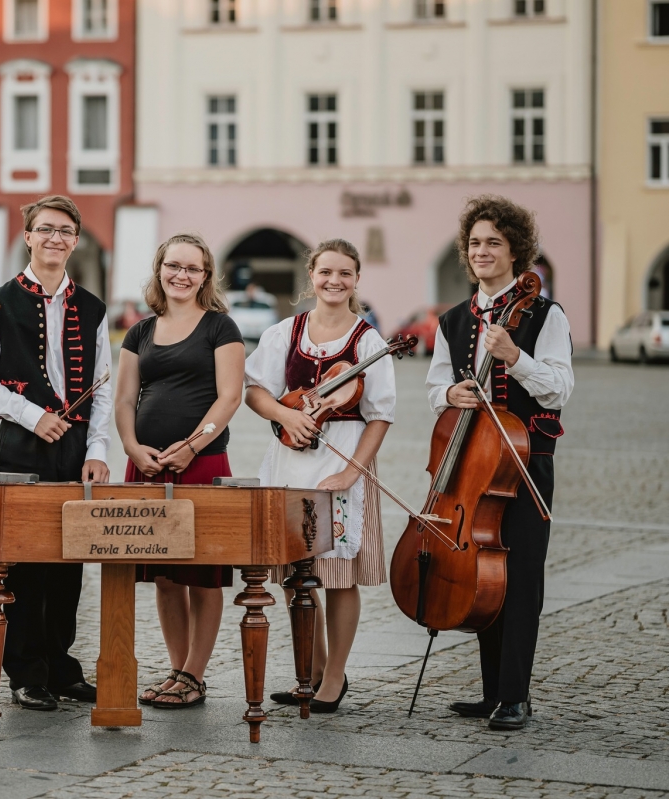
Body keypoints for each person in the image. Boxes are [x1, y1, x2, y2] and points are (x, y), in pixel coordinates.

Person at [429, 195, 572, 731]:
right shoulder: (452, 318)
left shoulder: (543, 313)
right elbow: (432, 387)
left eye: (494, 242)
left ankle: (516, 694)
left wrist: (517, 357)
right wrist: (451, 394)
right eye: (475, 243)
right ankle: (492, 692)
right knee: (479, 571)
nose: (482, 251)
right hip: (470, 462)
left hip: (524, 462)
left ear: (516, 251)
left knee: (521, 578)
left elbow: (560, 388)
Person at [0, 195, 112, 711]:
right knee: (26, 559)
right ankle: (26, 671)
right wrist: (32, 414)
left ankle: (61, 664)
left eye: (65, 230)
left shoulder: (92, 307)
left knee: (71, 556)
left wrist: (97, 448)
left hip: (75, 447)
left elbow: (103, 386)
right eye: (45, 229)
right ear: (28, 236)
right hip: (22, 442)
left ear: (76, 240)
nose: (55, 238)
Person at [244, 238, 396, 713]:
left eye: (345, 273)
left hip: (341, 460)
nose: (334, 281)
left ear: (356, 280)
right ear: (311, 275)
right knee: (295, 575)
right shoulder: (284, 332)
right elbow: (256, 392)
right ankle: (308, 670)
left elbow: (380, 415)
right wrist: (287, 417)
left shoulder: (368, 341)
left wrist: (353, 472)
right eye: (326, 272)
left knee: (338, 576)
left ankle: (333, 679)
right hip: (290, 459)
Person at [116, 233, 244, 709]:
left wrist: (192, 446)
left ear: (205, 276)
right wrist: (132, 447)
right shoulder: (139, 332)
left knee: (202, 573)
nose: (181, 275)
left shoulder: (220, 327)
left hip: (203, 464)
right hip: (148, 466)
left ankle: (195, 674)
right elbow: (126, 398)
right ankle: (176, 669)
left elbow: (229, 397)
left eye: (192, 268)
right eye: (173, 266)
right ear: (160, 269)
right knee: (166, 574)